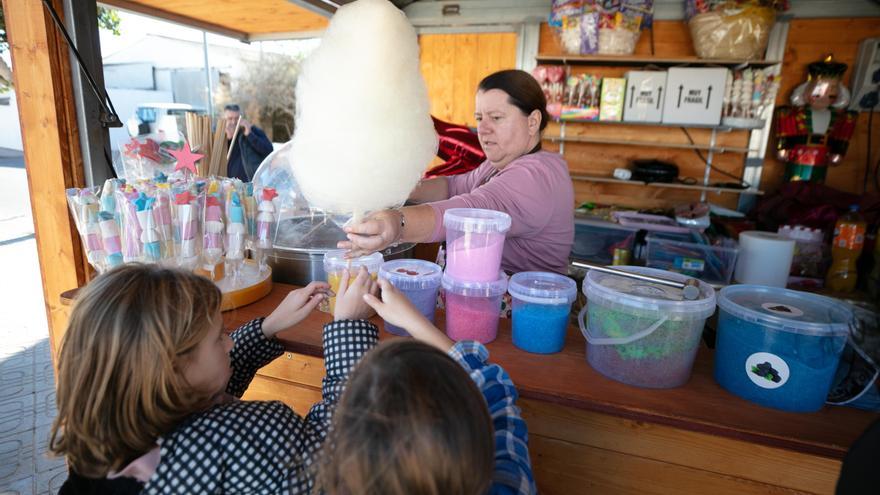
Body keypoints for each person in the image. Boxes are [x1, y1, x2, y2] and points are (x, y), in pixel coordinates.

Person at [50, 264, 379, 494]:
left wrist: (268, 327)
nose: (231, 342)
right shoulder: (250, 433)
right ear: (174, 366)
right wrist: (348, 327)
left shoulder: (99, 433)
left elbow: (199, 387)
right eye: (219, 336)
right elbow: (342, 448)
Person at [339, 69, 574, 275]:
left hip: (521, 309)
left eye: (496, 118)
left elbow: (468, 212)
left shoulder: (536, 176)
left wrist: (397, 223)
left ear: (532, 122)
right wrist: (398, 188)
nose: (483, 129)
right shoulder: (500, 163)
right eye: (480, 118)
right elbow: (454, 186)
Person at [317, 277, 536, 495]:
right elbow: (493, 386)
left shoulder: (335, 482)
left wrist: (344, 325)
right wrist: (414, 321)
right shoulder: (510, 485)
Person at [224, 103, 275, 182]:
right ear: (224, 119)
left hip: (251, 183)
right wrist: (226, 140)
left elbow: (269, 150)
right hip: (229, 184)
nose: (234, 122)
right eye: (230, 119)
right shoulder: (219, 136)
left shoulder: (252, 130)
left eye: (237, 118)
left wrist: (250, 135)